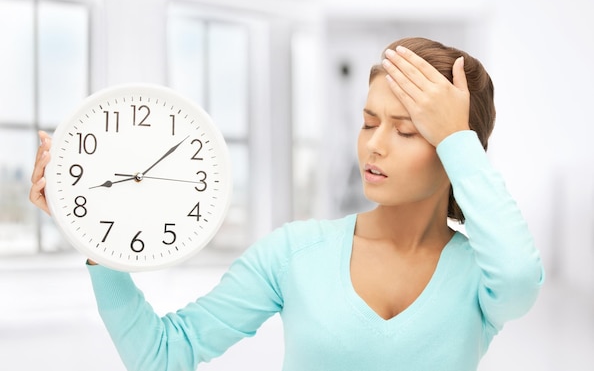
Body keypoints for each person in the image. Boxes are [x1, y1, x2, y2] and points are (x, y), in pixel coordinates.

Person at [30, 37, 544, 371]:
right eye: (368, 122)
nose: (374, 145)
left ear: (459, 149)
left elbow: (522, 276)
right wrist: (92, 234)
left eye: (408, 130)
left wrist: (457, 141)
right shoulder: (295, 253)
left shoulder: (483, 275)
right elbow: (162, 355)